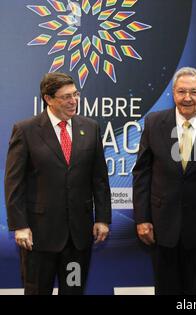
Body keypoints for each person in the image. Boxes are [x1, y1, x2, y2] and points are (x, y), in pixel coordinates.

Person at [4, 72, 111, 295]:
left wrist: (102, 218)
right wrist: (19, 225)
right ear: (48, 99)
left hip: (78, 238)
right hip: (39, 237)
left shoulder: (90, 128)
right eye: (66, 97)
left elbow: (99, 179)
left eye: (75, 95)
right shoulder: (26, 130)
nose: (73, 101)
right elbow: (14, 182)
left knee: (73, 290)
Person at [132, 67, 196, 295]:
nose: (187, 98)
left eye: (194, 92)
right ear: (173, 93)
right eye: (181, 91)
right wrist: (142, 218)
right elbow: (142, 173)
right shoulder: (154, 122)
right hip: (162, 227)